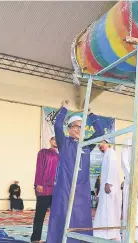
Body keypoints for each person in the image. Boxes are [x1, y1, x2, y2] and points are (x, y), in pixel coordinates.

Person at [46, 100, 104, 243]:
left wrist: (90, 113)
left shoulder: (86, 146)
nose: (79, 129)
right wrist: (64, 108)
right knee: (63, 220)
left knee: (81, 221)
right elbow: (58, 125)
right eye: (76, 126)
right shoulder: (64, 143)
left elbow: (101, 132)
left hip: (82, 192)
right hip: (65, 189)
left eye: (81, 126)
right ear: (70, 129)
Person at [30, 136, 59, 243]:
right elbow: (39, 167)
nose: (56, 141)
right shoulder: (44, 152)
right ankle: (35, 238)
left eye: (58, 139)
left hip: (57, 190)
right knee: (40, 215)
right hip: (44, 189)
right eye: (54, 139)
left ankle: (54, 238)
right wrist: (39, 183)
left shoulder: (62, 155)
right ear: (50, 141)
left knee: (56, 216)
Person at [93, 140, 121, 241]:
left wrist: (108, 183)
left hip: (109, 187)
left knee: (109, 210)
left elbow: (112, 168)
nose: (100, 145)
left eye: (102, 142)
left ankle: (110, 233)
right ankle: (105, 232)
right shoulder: (106, 154)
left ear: (108, 143)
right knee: (105, 209)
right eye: (98, 144)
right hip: (106, 187)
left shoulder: (111, 152)